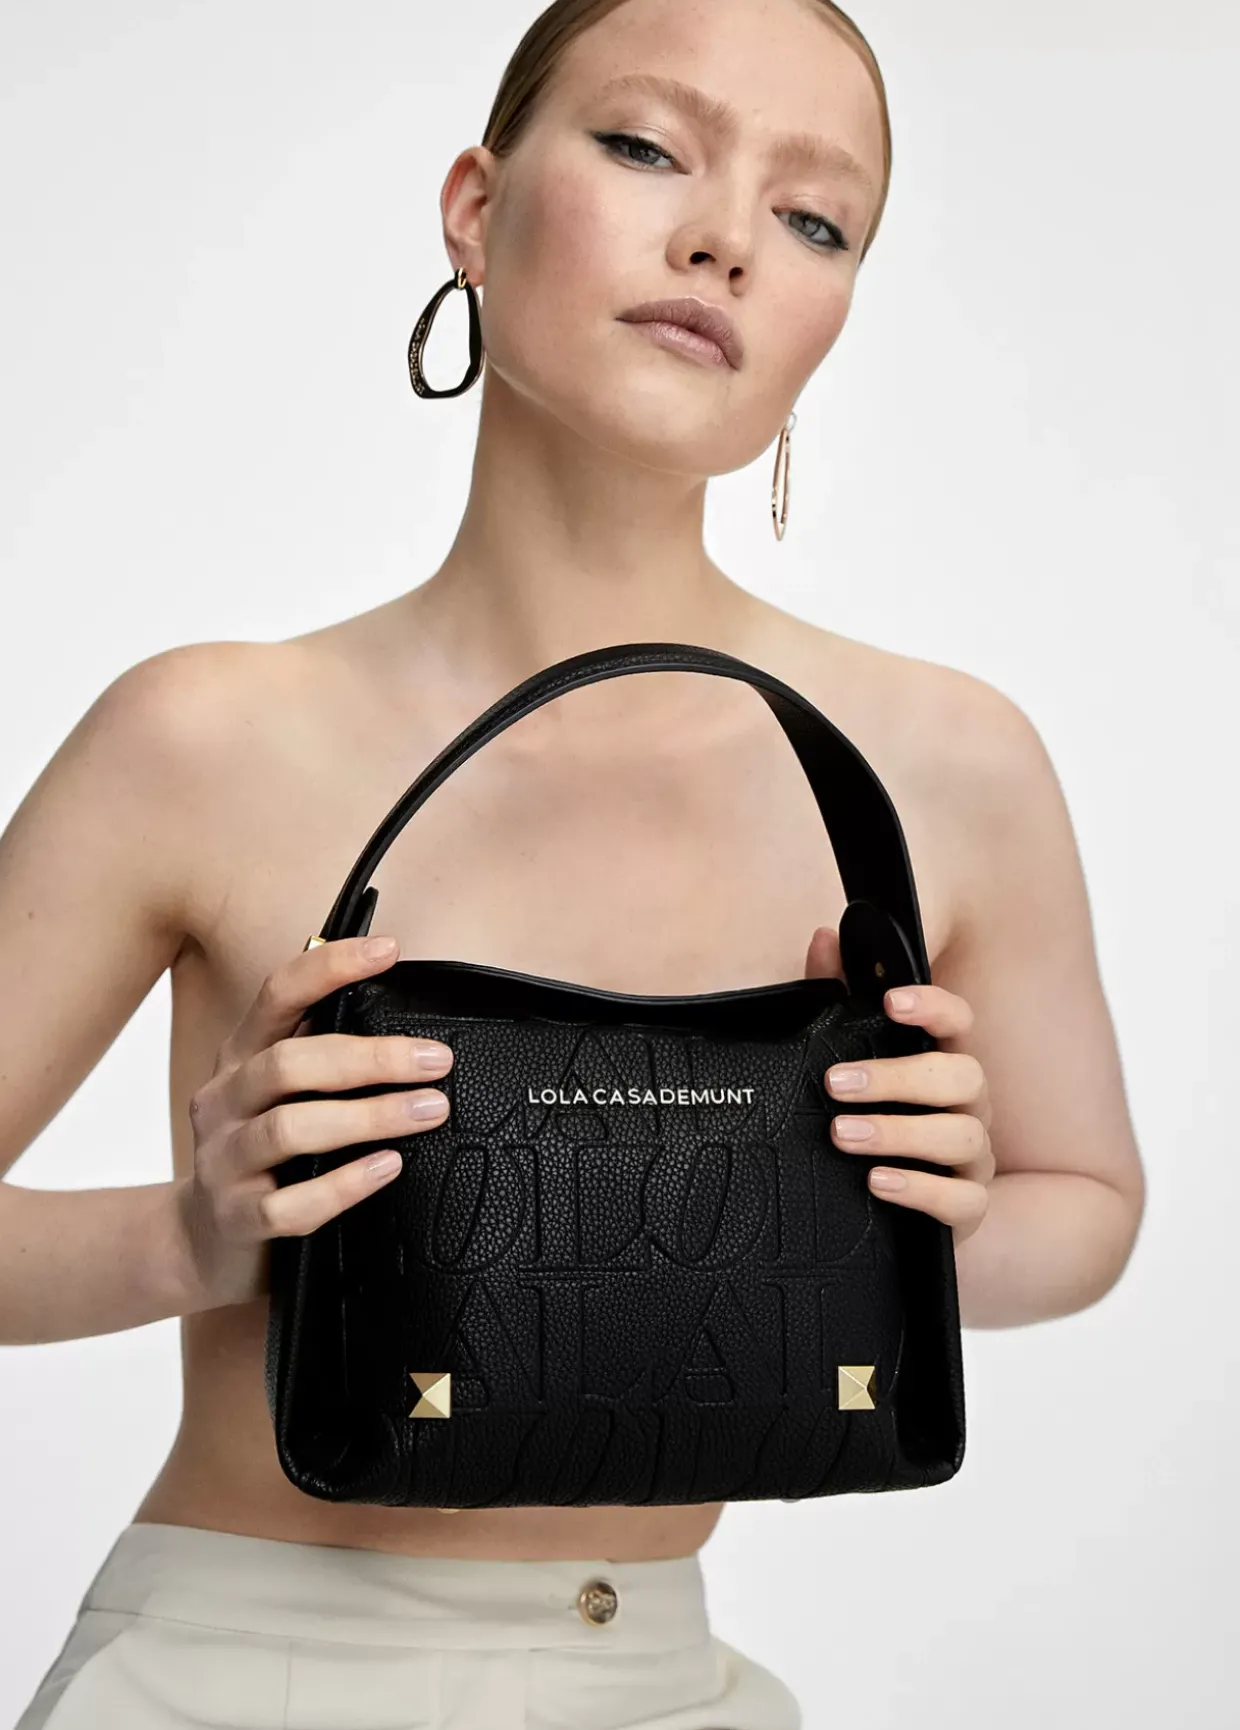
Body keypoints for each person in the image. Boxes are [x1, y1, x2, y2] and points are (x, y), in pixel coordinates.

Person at [2, 0, 1146, 1725]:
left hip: (669, 1679)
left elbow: (1088, 1205)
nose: (724, 239)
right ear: (475, 207)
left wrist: (893, 1218)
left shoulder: (944, 765)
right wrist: (195, 1235)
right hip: (243, 1671)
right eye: (645, 146)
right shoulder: (204, 738)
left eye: (813, 217)